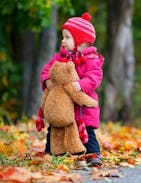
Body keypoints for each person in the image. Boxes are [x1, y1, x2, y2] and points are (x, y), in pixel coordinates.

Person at [37, 12, 104, 166]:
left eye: (67, 37)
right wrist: (47, 80)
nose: (63, 40)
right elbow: (47, 70)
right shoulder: (60, 58)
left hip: (82, 107)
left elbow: (94, 77)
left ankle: (93, 155)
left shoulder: (91, 60)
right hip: (62, 106)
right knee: (55, 128)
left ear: (82, 42)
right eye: (63, 36)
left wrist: (82, 85)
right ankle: (51, 152)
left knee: (87, 132)